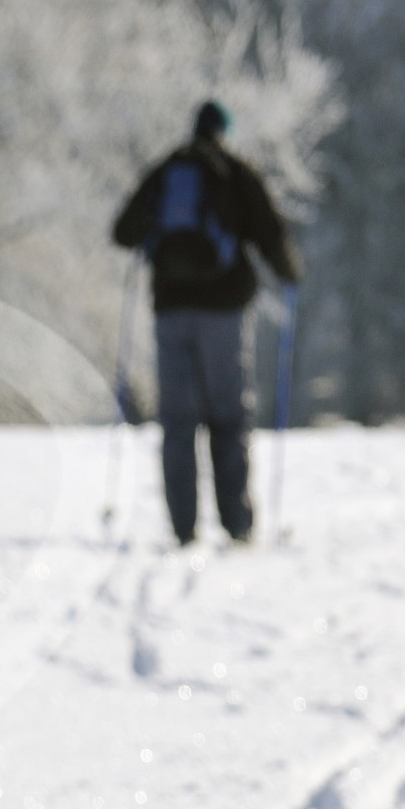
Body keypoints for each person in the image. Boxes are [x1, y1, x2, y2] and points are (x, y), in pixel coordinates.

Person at [110, 102, 302, 546]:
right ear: (225, 133)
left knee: (177, 420)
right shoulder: (236, 173)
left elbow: (123, 232)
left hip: (171, 310)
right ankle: (236, 523)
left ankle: (183, 528)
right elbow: (272, 236)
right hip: (224, 311)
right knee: (229, 416)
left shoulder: (166, 171)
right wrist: (291, 274)